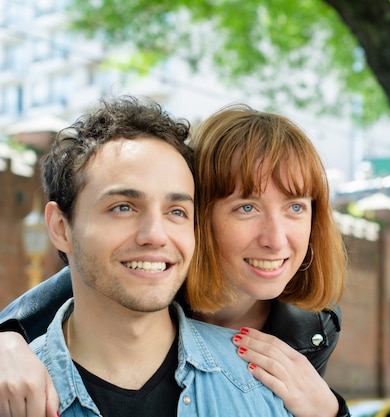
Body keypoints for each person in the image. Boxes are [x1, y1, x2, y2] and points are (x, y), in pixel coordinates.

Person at [0, 104, 349, 417]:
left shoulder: (312, 330)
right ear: (200, 218)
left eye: (296, 207)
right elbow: (75, 284)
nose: (275, 239)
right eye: (247, 207)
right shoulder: (149, 278)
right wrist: (6, 339)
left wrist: (332, 412)